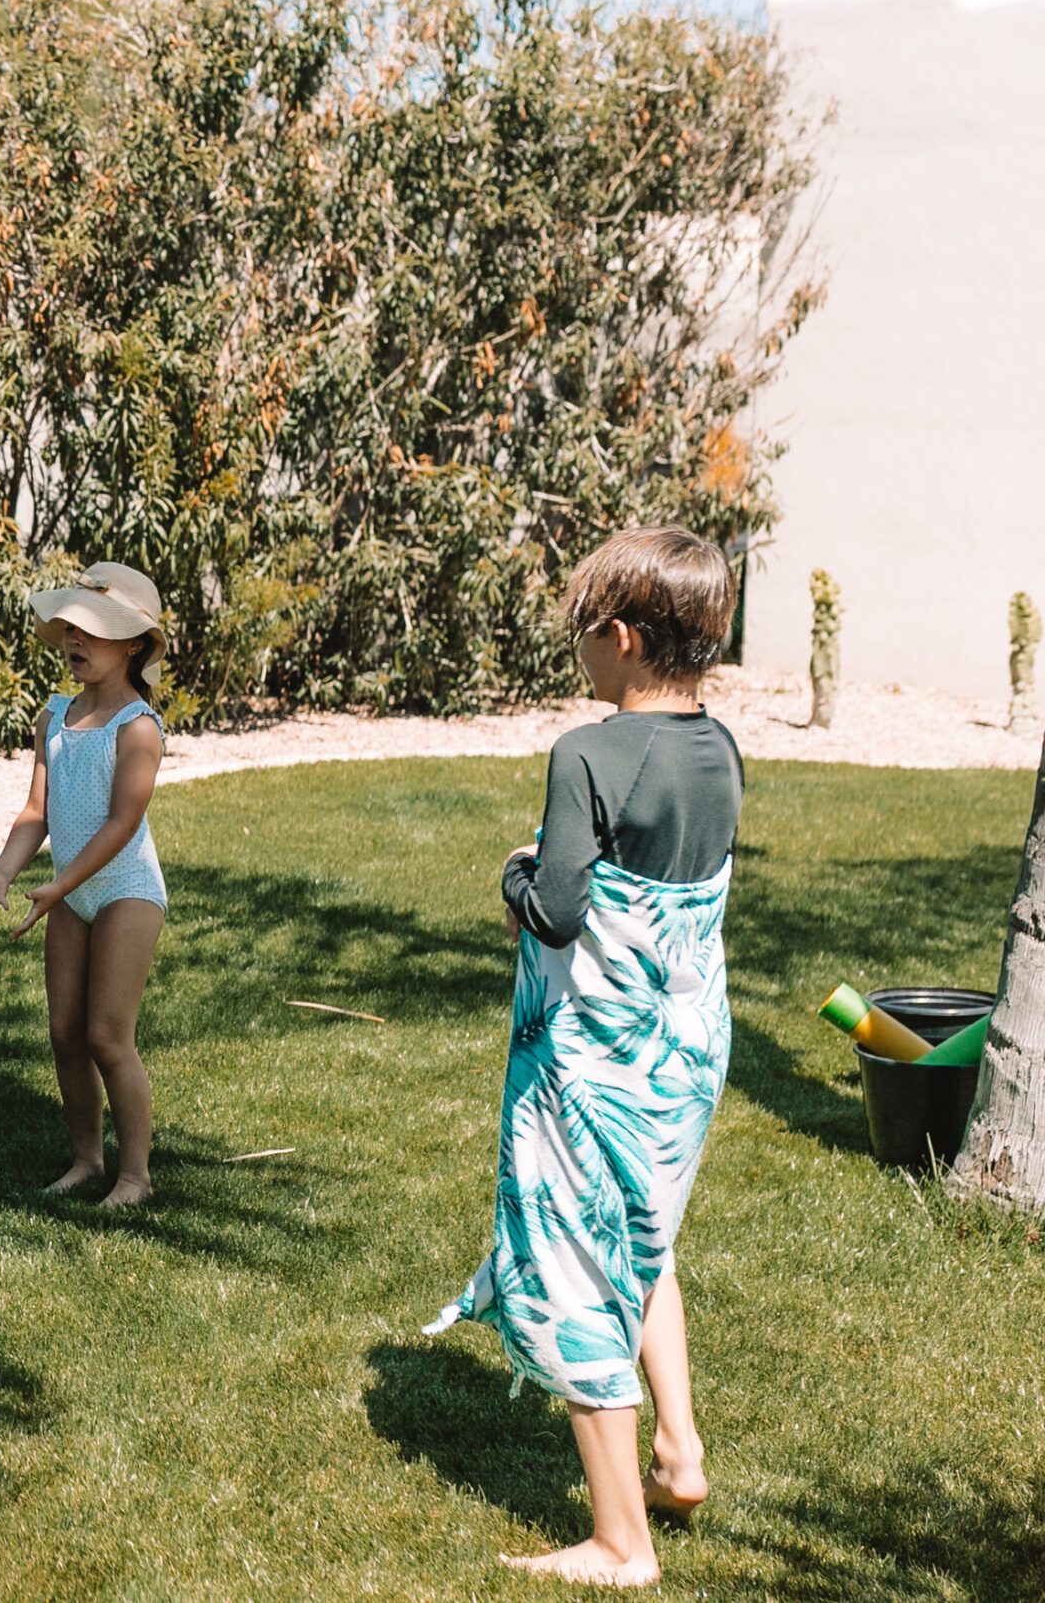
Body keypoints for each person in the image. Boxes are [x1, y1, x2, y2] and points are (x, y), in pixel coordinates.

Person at [425, 526, 745, 1588]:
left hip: (594, 1059)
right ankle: (679, 1452)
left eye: (582, 636)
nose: (578, 657)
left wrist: (515, 873)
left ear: (619, 636)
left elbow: (558, 912)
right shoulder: (721, 748)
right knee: (642, 1238)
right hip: (685, 1048)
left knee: (572, 1257)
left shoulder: (588, 750)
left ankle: (619, 1540)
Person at [0, 561, 170, 1208]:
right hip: (68, 892)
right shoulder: (54, 716)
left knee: (108, 1035)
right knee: (64, 1034)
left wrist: (59, 888)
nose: (77, 640)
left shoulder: (137, 727)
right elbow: (37, 814)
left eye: (96, 630)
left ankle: (135, 1174)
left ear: (134, 643)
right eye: (72, 626)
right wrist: (3, 871)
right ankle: (86, 1158)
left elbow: (121, 824)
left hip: (125, 888)